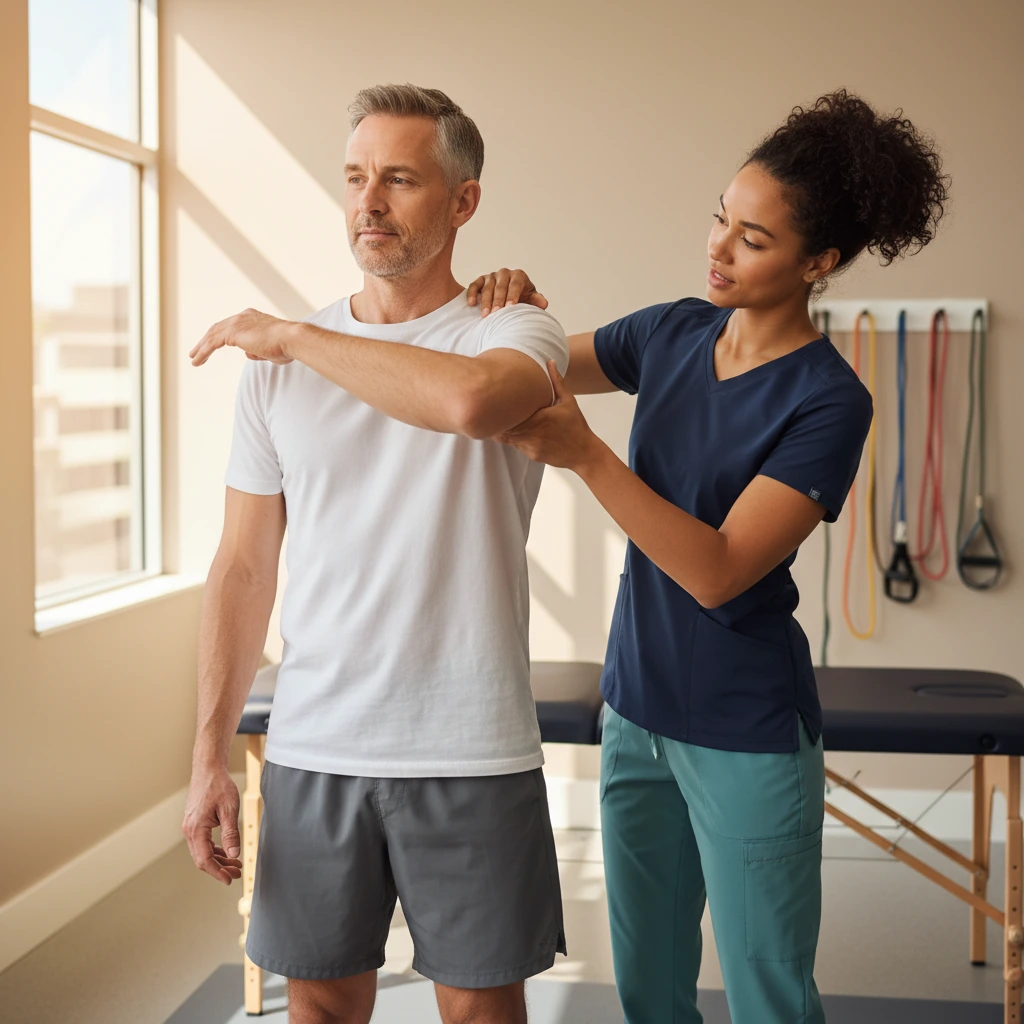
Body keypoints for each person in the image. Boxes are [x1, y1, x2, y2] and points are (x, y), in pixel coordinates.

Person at [468, 90, 949, 1024]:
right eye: (720, 220)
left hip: (745, 727)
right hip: (634, 709)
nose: (719, 249)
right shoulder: (672, 332)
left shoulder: (828, 400)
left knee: (768, 995)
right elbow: (519, 372)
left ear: (821, 261)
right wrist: (496, 309)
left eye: (754, 240)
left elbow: (722, 568)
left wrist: (587, 455)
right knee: (648, 989)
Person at [181, 84, 569, 1024]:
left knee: (480, 1011)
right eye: (356, 177)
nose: (370, 202)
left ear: (463, 201)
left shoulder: (516, 331)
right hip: (317, 746)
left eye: (399, 178)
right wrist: (207, 752)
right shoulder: (279, 373)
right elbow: (242, 567)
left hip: (471, 749)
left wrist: (294, 336)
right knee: (316, 1006)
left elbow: (472, 402)